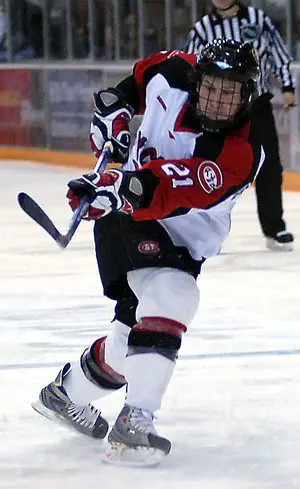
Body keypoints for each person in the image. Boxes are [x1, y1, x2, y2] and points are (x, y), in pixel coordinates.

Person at [33, 39, 263, 466]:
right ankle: (134, 425)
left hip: (167, 231)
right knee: (175, 297)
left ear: (247, 97)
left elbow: (167, 186)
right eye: (212, 87)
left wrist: (115, 189)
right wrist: (113, 114)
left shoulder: (240, 154)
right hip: (131, 222)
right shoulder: (173, 70)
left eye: (231, 93)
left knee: (129, 347)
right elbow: (128, 87)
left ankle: (65, 394)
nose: (218, 101)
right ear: (196, 80)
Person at [185, 0, 295, 251]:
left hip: (255, 105)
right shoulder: (203, 28)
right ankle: (199, 228)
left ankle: (274, 227)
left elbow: (278, 54)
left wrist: (288, 86)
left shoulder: (257, 19)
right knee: (208, 164)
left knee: (268, 164)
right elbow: (189, 63)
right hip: (217, 107)